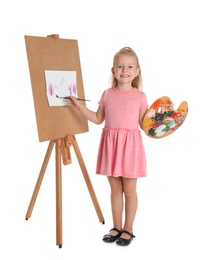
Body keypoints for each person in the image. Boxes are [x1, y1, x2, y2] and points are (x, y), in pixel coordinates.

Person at [67, 47, 149, 246]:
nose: (124, 70)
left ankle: (128, 228)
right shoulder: (107, 94)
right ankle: (116, 226)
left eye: (130, 66)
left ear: (137, 71)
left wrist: (161, 117)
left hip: (130, 147)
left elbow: (145, 126)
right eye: (120, 66)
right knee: (114, 189)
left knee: (129, 189)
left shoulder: (140, 96)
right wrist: (78, 105)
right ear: (113, 70)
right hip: (111, 146)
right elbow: (97, 119)